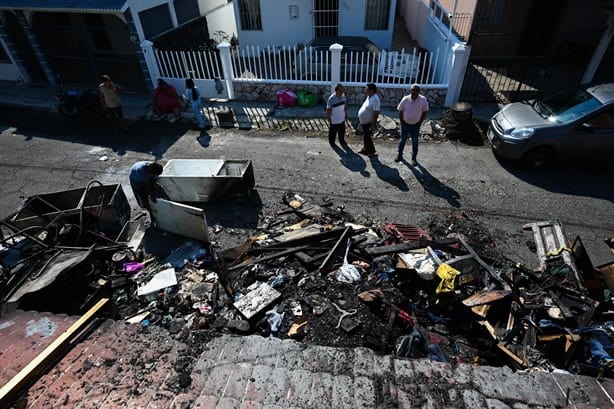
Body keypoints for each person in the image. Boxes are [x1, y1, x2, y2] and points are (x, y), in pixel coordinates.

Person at [396, 84, 429, 166]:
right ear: (410, 91)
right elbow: (400, 111)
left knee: (415, 142)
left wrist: (420, 121)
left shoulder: (423, 99)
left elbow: (425, 111)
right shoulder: (405, 99)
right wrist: (401, 122)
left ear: (419, 91)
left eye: (416, 90)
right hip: (405, 124)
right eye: (413, 90)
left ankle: (414, 158)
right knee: (402, 140)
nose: (414, 92)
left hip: (416, 125)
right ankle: (399, 155)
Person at [357, 83, 380, 156]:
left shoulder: (375, 99)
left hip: (369, 122)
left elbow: (376, 112)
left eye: (366, 89)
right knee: (366, 135)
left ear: (371, 90)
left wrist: (373, 124)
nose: (365, 90)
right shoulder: (369, 97)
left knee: (367, 136)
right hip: (364, 121)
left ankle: (371, 151)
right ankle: (365, 149)